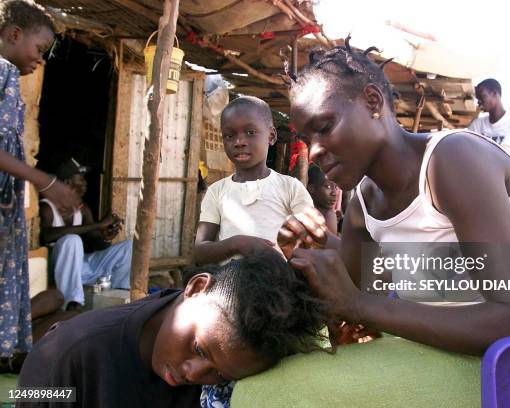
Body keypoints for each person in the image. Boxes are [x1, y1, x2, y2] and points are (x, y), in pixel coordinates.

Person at [230, 39, 510, 407]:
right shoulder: (363, 204)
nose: (316, 150)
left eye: (324, 126)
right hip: (450, 350)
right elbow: (353, 293)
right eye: (307, 139)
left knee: (264, 394)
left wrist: (357, 305)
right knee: (278, 371)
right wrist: (316, 246)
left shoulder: (453, 161)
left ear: (373, 103)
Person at [17, 252, 328, 408]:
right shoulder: (63, 355)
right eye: (198, 349)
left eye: (220, 375)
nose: (194, 374)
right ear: (196, 287)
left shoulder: (233, 367)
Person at [0, 0, 81, 368]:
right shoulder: (1, 71)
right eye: (39, 49)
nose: (41, 59)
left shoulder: (10, 81)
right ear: (14, 35)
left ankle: (9, 350)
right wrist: (46, 183)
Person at [193, 96, 313, 265]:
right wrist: (238, 244)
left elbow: (311, 243)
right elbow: (200, 251)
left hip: (278, 284)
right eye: (229, 135)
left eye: (250, 133)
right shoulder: (216, 191)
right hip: (229, 285)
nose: (239, 142)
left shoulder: (291, 188)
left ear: (271, 136)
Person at [40, 157, 132, 310]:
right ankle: (72, 302)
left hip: (82, 268)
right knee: (72, 240)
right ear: (68, 182)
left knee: (129, 246)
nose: (85, 183)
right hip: (59, 271)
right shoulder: (47, 207)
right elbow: (46, 235)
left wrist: (106, 237)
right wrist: (97, 225)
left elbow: (97, 243)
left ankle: (120, 293)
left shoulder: (83, 210)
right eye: (81, 179)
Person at [307, 164, 338, 235]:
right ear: (312, 188)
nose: (334, 193)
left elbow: (329, 244)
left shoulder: (329, 215)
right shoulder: (304, 209)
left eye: (336, 187)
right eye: (328, 187)